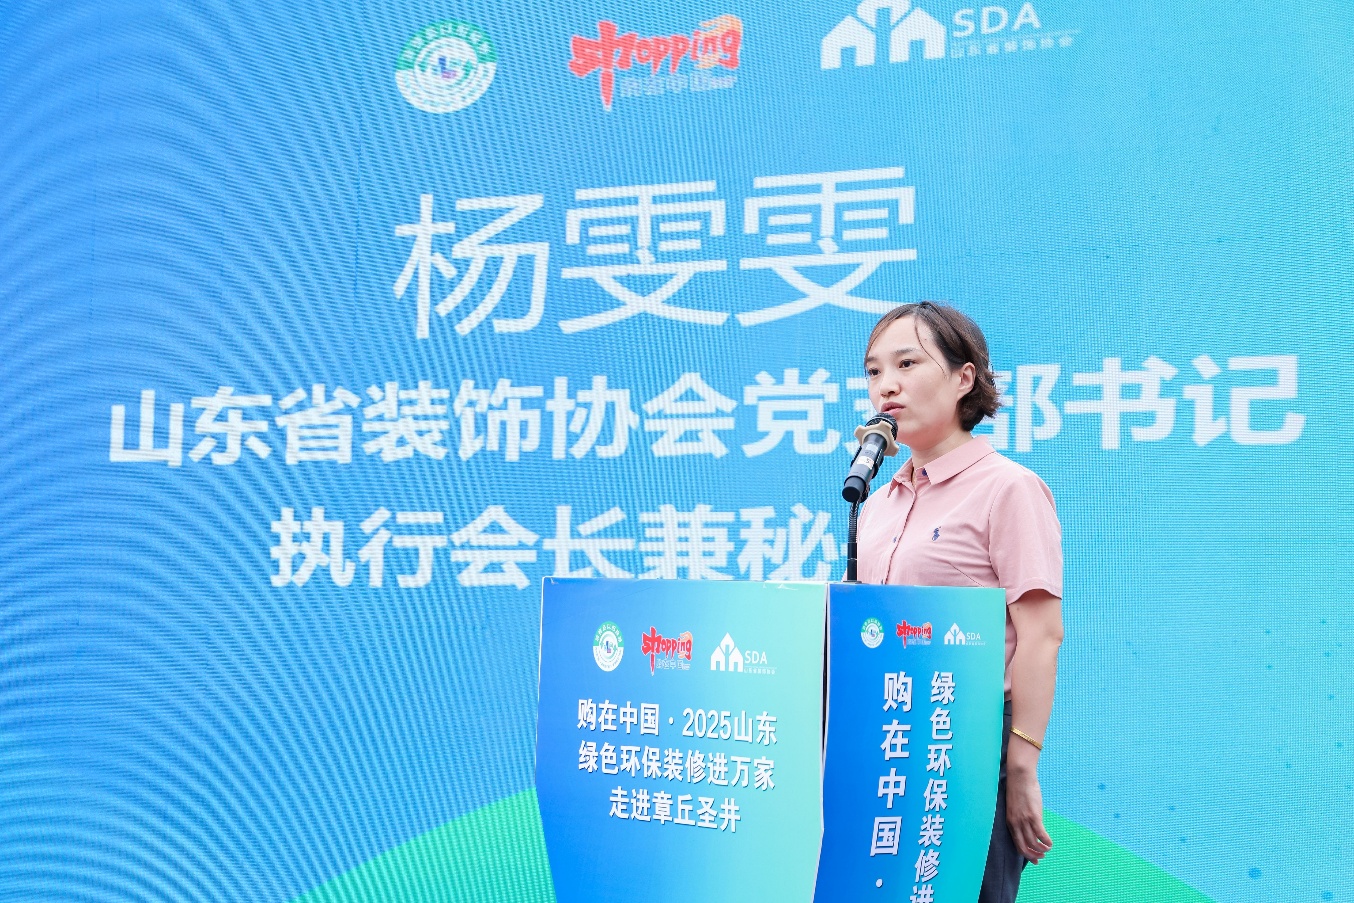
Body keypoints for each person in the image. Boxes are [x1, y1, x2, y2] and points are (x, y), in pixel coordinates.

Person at [855, 302, 1064, 903]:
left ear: (963, 378)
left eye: (907, 364)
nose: (886, 385)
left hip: (966, 745)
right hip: (886, 739)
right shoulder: (875, 504)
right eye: (873, 371)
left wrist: (1019, 767)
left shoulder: (1008, 488)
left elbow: (1041, 634)